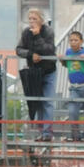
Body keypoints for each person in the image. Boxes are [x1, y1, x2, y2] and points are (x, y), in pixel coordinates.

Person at [16, 8, 57, 142]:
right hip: (34, 73)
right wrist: (30, 55)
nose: (32, 22)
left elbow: (49, 50)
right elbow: (19, 49)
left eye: (35, 19)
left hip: (48, 71)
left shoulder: (48, 31)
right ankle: (41, 132)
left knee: (48, 102)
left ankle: (47, 133)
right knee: (37, 103)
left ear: (41, 20)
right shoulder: (26, 33)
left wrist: (38, 36)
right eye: (30, 19)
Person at [61, 31, 84, 142]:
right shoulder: (68, 52)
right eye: (71, 40)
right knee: (72, 111)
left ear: (81, 41)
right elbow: (67, 65)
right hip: (74, 87)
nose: (73, 43)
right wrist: (62, 60)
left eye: (76, 40)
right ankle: (75, 135)